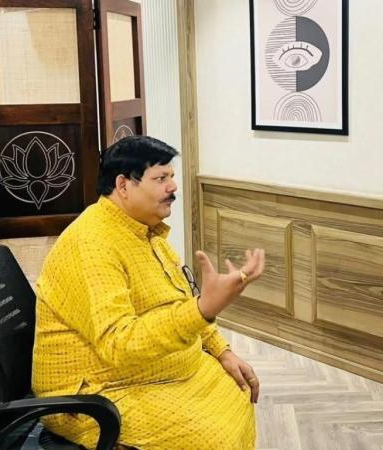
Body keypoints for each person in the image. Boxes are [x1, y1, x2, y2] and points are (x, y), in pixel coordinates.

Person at [32, 135, 266, 449]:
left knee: (236, 389)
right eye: (160, 179)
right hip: (96, 393)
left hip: (155, 374)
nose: (173, 187)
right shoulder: (92, 244)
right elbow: (119, 342)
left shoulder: (145, 231)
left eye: (172, 177)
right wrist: (202, 310)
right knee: (213, 438)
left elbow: (180, 298)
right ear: (123, 185)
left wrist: (222, 351)